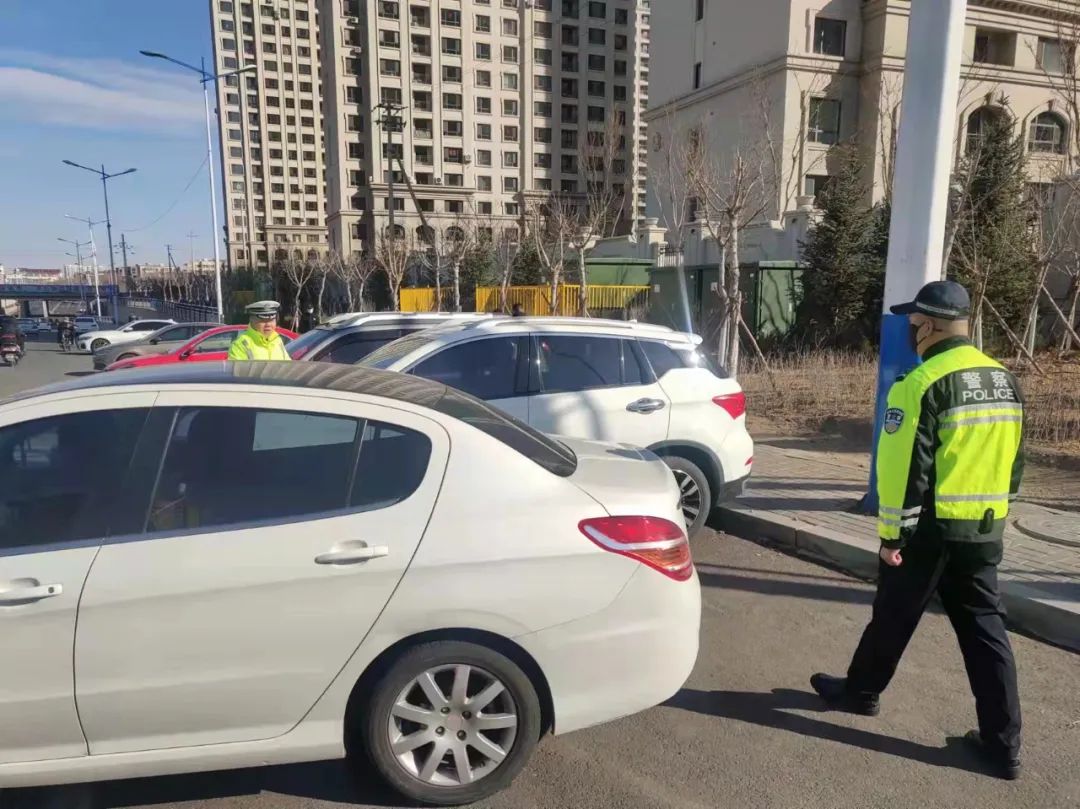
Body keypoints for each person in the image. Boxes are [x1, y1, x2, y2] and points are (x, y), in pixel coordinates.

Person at [811, 281, 1024, 780]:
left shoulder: (922, 382)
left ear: (928, 326)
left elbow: (905, 468)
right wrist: (998, 512)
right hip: (983, 530)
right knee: (986, 633)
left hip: (929, 531)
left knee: (893, 612)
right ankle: (1003, 747)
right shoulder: (1004, 380)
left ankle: (861, 693)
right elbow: (1015, 461)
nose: (910, 332)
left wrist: (893, 537)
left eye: (912, 324)